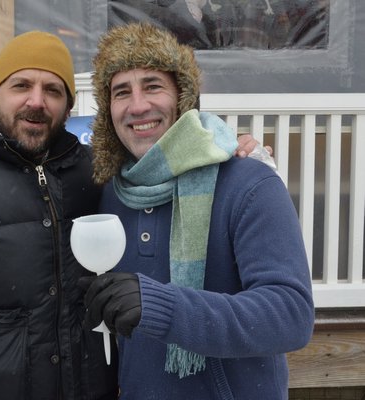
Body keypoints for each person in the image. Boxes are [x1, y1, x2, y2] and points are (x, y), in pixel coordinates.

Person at [0, 29, 264, 400]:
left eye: (52, 90)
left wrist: (228, 153)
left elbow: (167, 176)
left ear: (67, 106)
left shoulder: (100, 173)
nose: (36, 102)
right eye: (21, 86)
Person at [79, 23, 314, 400]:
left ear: (184, 97)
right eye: (122, 92)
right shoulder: (110, 195)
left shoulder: (249, 183)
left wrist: (162, 307)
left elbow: (290, 316)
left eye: (153, 85)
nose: (138, 105)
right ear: (108, 111)